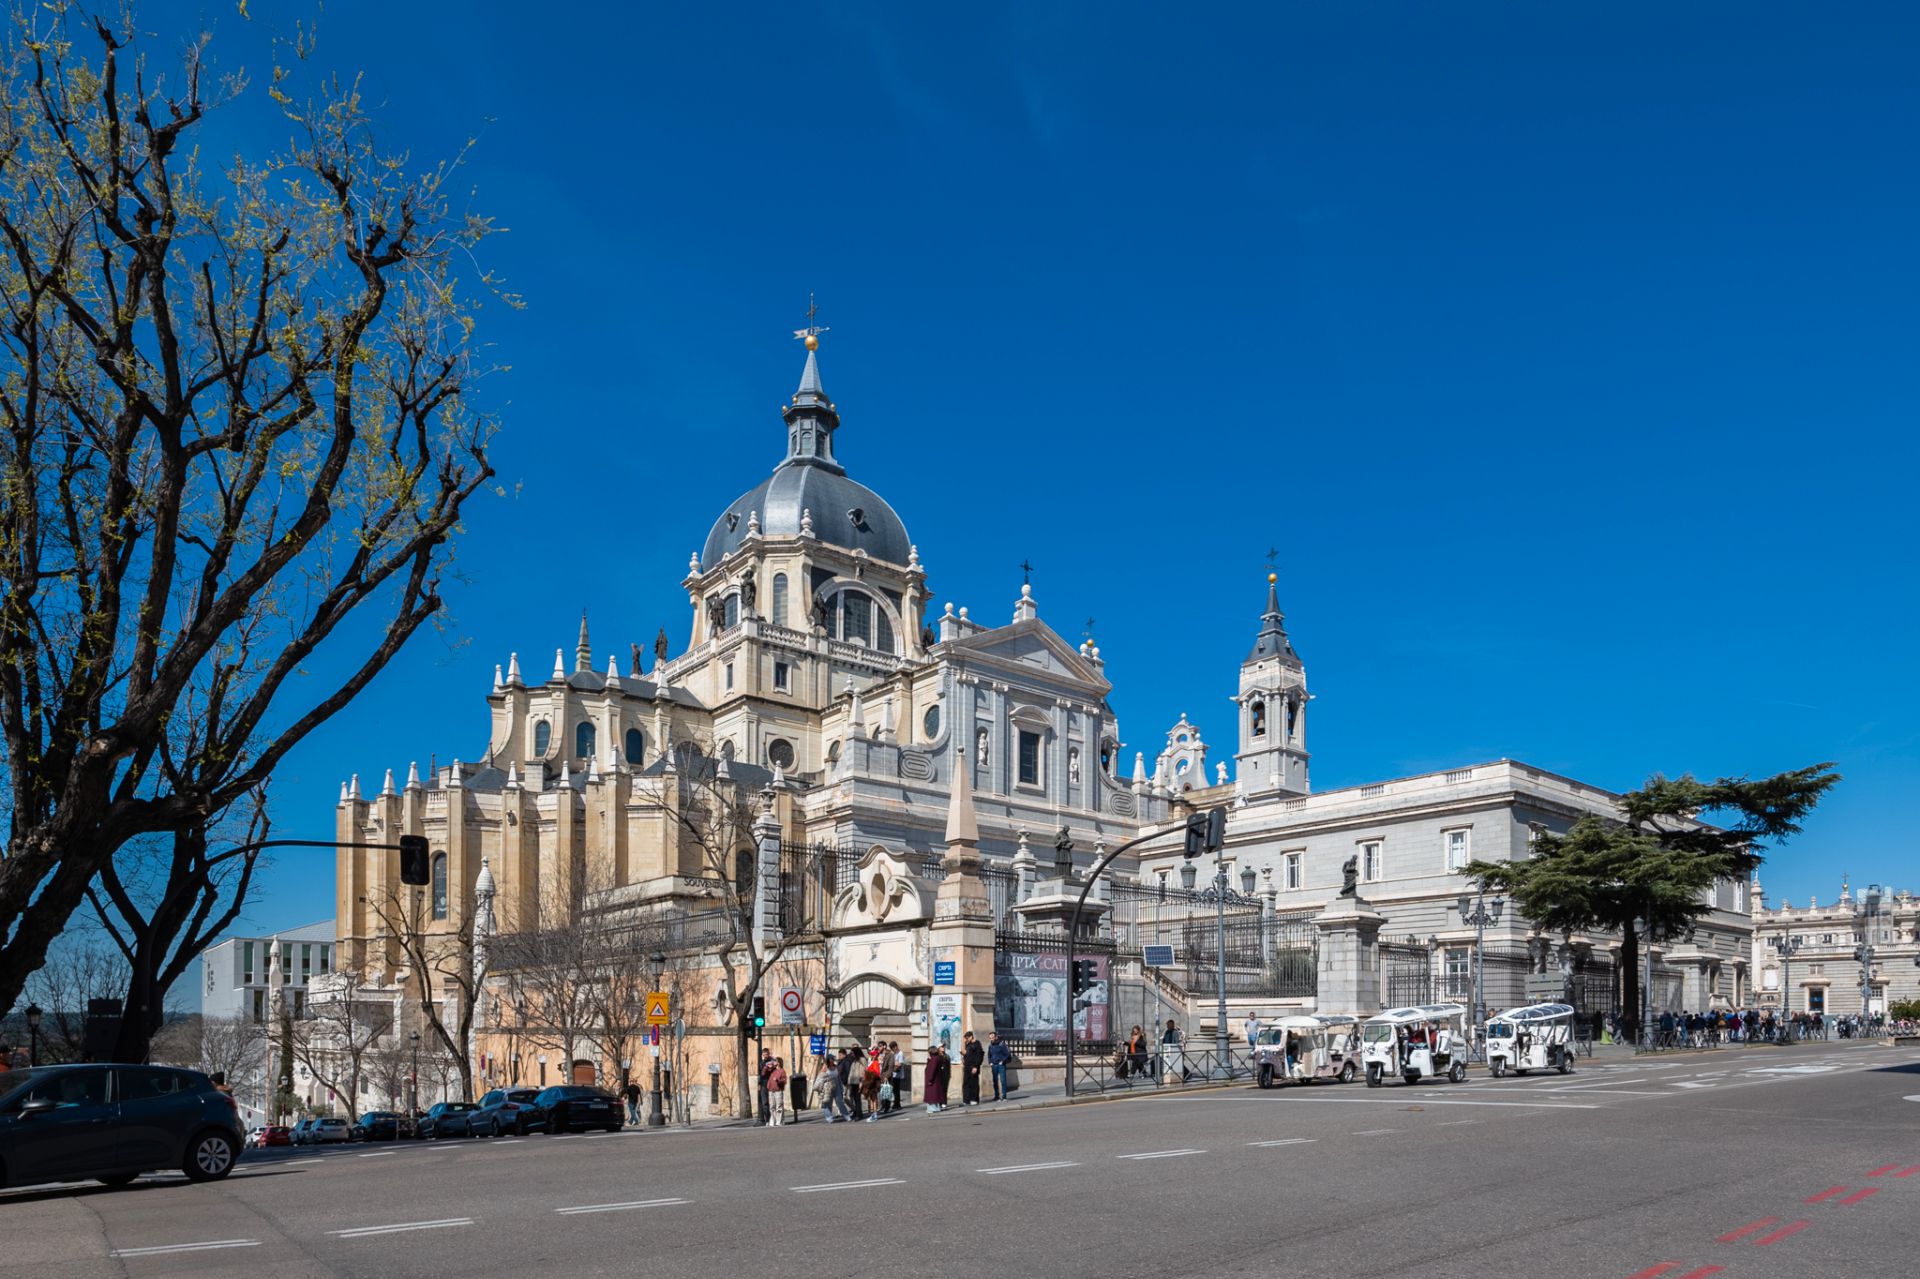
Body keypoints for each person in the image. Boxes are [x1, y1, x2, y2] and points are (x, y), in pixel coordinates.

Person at [961, 1031, 984, 1106]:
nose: (966, 1039)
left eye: (967, 1038)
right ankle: (966, 1100)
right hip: (967, 1066)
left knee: (974, 1083)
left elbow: (979, 1056)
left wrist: (976, 1066)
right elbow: (967, 1055)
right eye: (966, 1038)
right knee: (966, 1083)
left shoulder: (977, 1044)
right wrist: (964, 1054)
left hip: (973, 1066)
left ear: (971, 1036)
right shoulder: (967, 1044)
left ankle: (974, 1099)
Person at [924, 1045, 949, 1113]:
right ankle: (936, 1108)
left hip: (933, 1081)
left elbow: (932, 1070)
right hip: (936, 1080)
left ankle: (932, 1109)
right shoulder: (937, 1058)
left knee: (932, 1095)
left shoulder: (934, 1059)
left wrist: (930, 1080)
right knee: (935, 1095)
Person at [987, 1031, 1012, 1101]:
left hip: (1001, 1065)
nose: (991, 1039)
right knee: (995, 1081)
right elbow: (989, 1055)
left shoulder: (1001, 1044)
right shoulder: (990, 1045)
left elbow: (1007, 1054)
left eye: (992, 1037)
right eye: (990, 1038)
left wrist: (1002, 1061)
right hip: (994, 1065)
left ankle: (1004, 1096)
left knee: (1003, 1081)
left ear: (996, 1037)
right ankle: (996, 1096)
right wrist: (990, 1062)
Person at [766, 1058, 789, 1127]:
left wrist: (778, 1080)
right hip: (771, 1090)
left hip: (778, 1090)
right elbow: (764, 1072)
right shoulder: (772, 1070)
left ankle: (779, 1121)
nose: (774, 1062)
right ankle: (772, 1121)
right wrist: (768, 1066)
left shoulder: (782, 1071)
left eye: (775, 1061)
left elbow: (784, 1081)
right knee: (772, 1106)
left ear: (779, 1062)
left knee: (779, 1106)